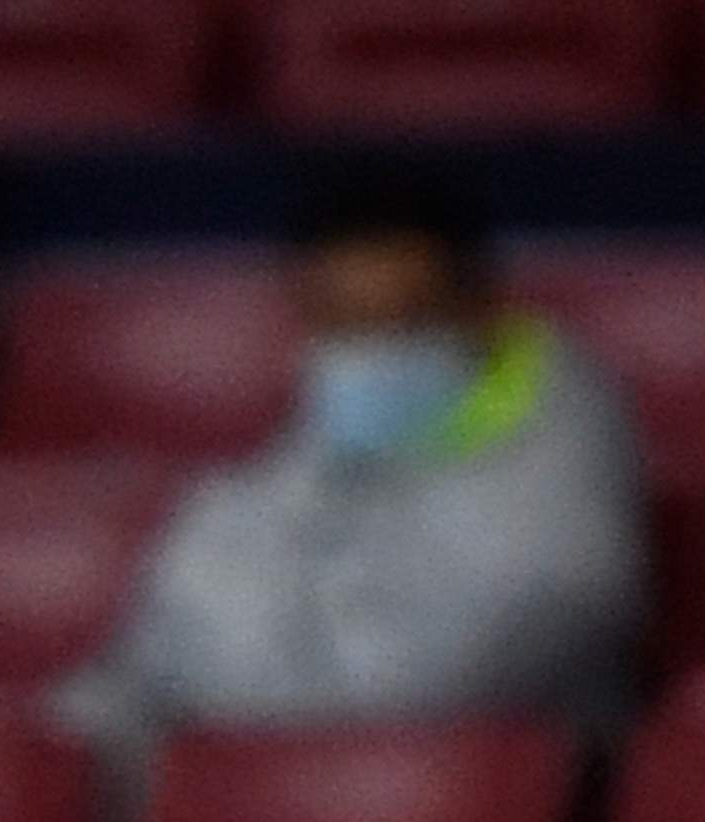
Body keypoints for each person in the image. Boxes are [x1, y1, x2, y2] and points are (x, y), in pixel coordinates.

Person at [56, 163, 645, 755]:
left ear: (479, 310)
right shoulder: (299, 451)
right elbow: (152, 649)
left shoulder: (562, 471)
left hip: (454, 809)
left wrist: (222, 688)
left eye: (403, 321)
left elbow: (423, 686)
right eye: (341, 321)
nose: (368, 350)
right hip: (262, 792)